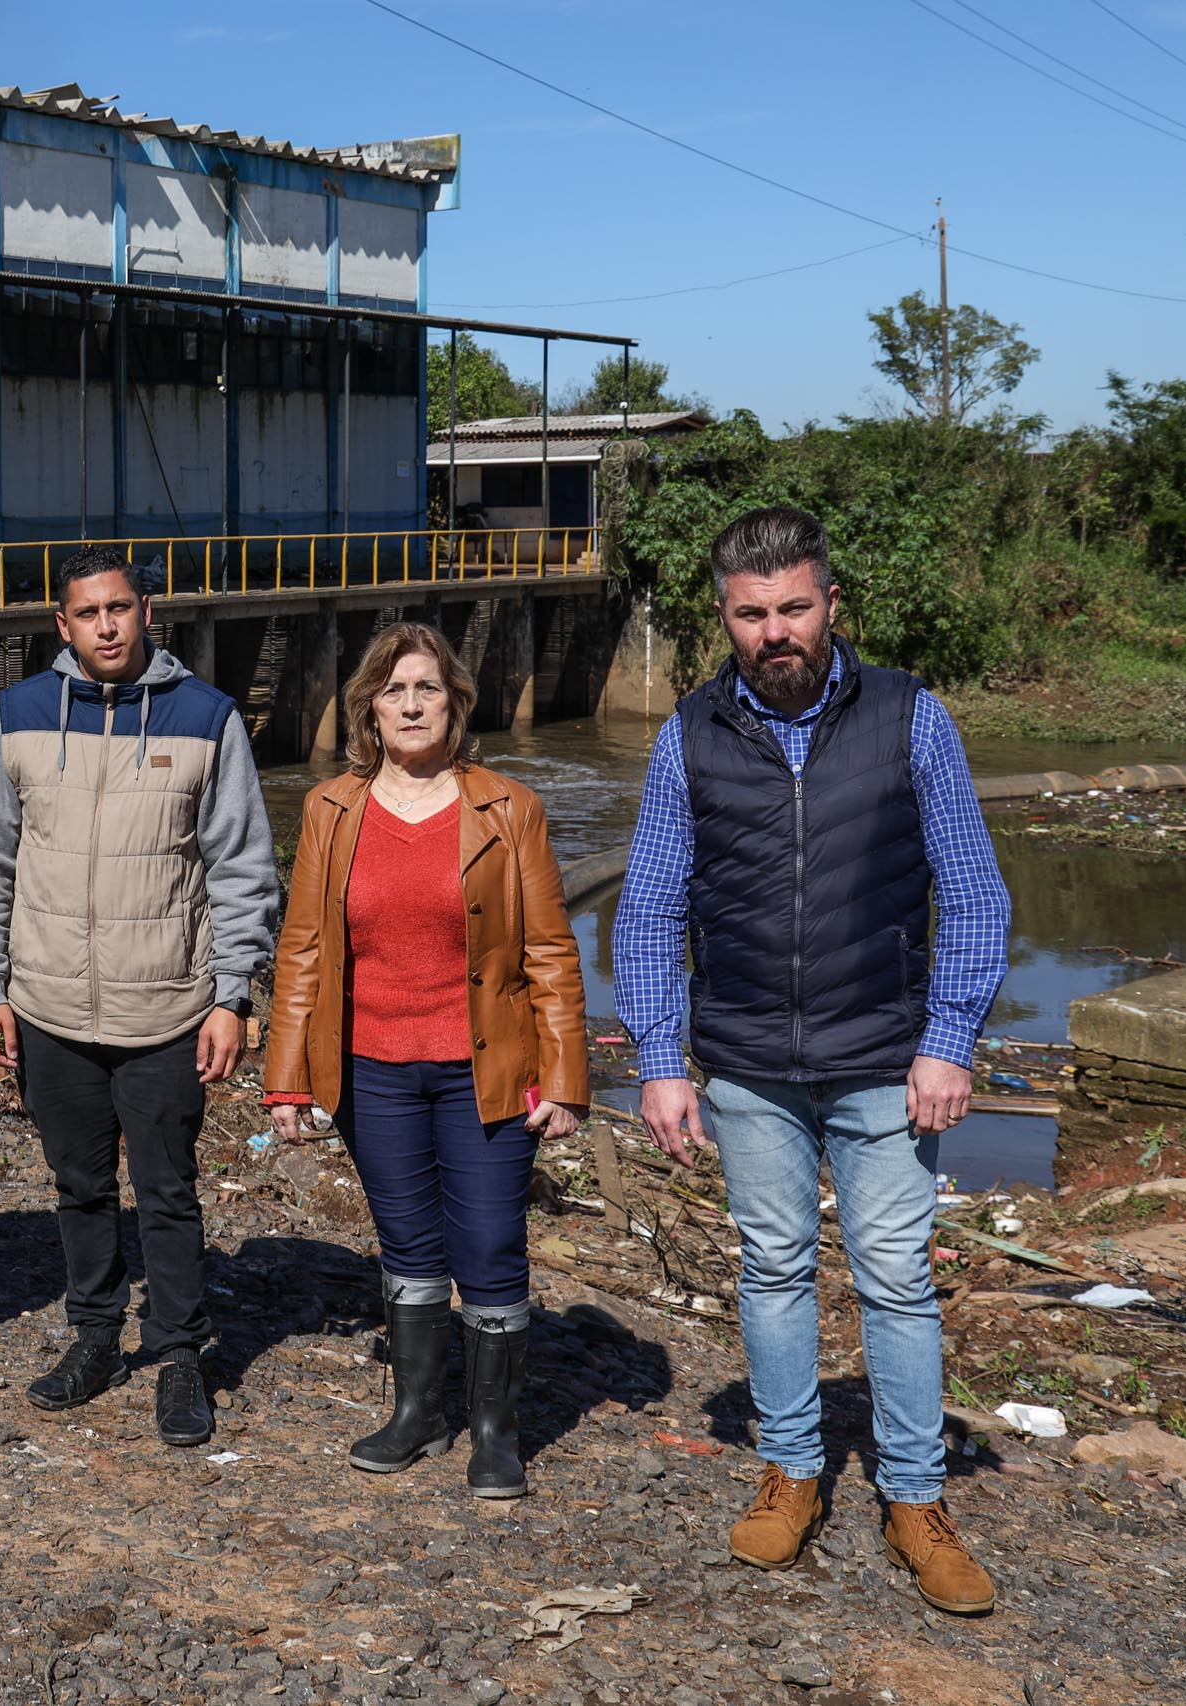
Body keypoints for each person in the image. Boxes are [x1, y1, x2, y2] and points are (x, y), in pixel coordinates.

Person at [613, 505, 1012, 1614]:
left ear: (832, 602)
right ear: (725, 617)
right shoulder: (688, 731)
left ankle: (916, 1495)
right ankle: (792, 1468)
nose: (775, 631)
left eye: (794, 607)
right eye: (752, 615)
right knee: (774, 1267)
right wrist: (660, 1056)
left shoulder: (909, 716)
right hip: (745, 1060)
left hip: (887, 1054)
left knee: (895, 1276)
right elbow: (648, 907)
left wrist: (948, 1038)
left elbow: (972, 893)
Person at [0, 545, 279, 1448]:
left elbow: (242, 869)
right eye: (86, 613)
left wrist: (230, 996)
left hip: (167, 1009)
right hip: (49, 1006)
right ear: (62, 625)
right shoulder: (19, 717)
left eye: (119, 609)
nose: (105, 626)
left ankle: (178, 1358)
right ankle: (93, 1337)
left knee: (168, 1192)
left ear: (147, 612)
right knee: (79, 1185)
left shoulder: (205, 717)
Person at [261, 623, 586, 1495]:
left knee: (487, 1245)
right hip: (371, 1069)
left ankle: (494, 1430)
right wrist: (286, 1075)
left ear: (456, 703)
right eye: (394, 690)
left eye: (428, 689)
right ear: (370, 706)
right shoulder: (332, 807)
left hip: (485, 1070)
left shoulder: (507, 807)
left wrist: (563, 1077)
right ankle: (417, 1413)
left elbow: (551, 951)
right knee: (405, 1247)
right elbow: (302, 949)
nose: (410, 704)